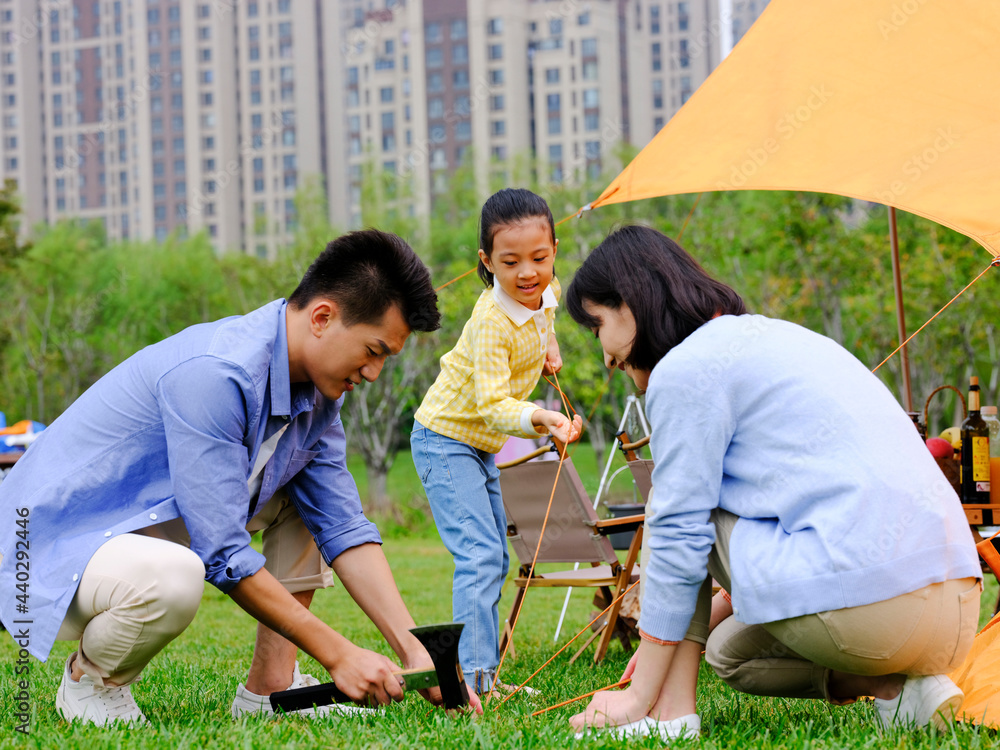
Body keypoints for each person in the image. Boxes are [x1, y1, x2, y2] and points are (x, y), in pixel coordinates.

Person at [0, 229, 484, 726]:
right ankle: (92, 681)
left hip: (131, 537)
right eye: (374, 350)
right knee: (176, 577)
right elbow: (222, 554)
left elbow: (343, 526)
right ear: (322, 318)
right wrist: (338, 654)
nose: (375, 372)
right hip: (44, 546)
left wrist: (415, 650)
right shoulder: (217, 374)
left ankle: (268, 689)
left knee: (303, 499)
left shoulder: (318, 398)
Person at [565, 225, 981, 738]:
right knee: (730, 653)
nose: (605, 355)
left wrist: (639, 689)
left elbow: (680, 532)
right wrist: (665, 640)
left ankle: (667, 715)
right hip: (957, 607)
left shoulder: (684, 369)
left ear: (630, 301)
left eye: (596, 326)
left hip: (876, 606)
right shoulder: (779, 337)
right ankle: (902, 689)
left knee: (685, 514)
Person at [410, 188, 583, 697]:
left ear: (554, 249)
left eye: (540, 257)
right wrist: (542, 418)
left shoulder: (542, 294)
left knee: (496, 559)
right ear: (487, 262)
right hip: (446, 440)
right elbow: (491, 405)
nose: (528, 272)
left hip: (477, 445)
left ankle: (482, 673)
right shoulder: (491, 321)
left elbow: (544, 318)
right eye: (510, 262)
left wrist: (548, 348)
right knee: (481, 556)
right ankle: (472, 681)